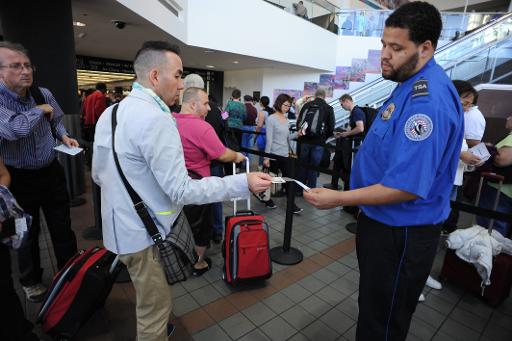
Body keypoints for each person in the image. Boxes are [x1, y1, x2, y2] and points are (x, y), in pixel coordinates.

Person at [303, 3, 464, 340]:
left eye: (396, 47)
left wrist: (339, 199)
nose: (384, 55)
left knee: (384, 322)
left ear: (425, 48)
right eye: (383, 44)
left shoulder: (427, 101)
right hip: (382, 223)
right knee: (374, 308)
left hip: (402, 232)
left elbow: (406, 186)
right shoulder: (406, 84)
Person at [92, 41, 271, 341]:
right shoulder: (157, 120)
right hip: (144, 236)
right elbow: (182, 190)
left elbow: (98, 173)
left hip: (118, 230)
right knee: (154, 309)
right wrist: (242, 182)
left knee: (148, 299)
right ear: (154, 75)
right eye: (177, 76)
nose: (181, 84)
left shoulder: (111, 113)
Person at [0, 41, 79, 302]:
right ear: (1, 72)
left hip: (50, 172)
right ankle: (31, 281)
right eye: (15, 66)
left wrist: (64, 135)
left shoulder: (43, 93)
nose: (25, 71)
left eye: (27, 65)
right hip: (18, 177)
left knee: (62, 227)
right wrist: (36, 111)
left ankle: (70, 273)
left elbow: (55, 121)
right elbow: (13, 130)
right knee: (26, 233)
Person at [174, 87, 245, 276]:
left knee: (181, 224)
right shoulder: (201, 127)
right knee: (201, 228)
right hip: (198, 186)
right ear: (192, 104)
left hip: (174, 183)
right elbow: (221, 153)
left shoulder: (169, 120)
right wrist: (238, 156)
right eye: (205, 104)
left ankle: (178, 256)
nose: (208, 108)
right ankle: (197, 263)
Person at [263, 94, 303, 213]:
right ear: (279, 103)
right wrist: (267, 157)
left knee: (289, 180)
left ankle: (291, 204)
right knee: (270, 180)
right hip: (274, 155)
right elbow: (269, 140)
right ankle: (266, 199)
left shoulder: (286, 120)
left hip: (285, 154)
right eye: (285, 105)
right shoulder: (271, 119)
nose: (287, 108)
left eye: (289, 106)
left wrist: (297, 134)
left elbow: (287, 138)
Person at [475, 114, 512, 237]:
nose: (507, 118)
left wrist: (490, 150)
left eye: (510, 116)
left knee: (491, 227)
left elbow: (501, 160)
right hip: (501, 189)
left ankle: (487, 253)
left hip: (499, 189)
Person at [296, 88, 335, 192]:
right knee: (314, 167)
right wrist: (324, 138)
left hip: (304, 140)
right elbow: (331, 127)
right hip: (318, 142)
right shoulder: (328, 108)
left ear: (315, 95)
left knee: (302, 165)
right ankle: (311, 190)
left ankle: (299, 190)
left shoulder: (306, 105)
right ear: (324, 96)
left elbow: (298, 122)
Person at [205, 94, 226, 244]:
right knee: (216, 196)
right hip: (216, 160)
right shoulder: (218, 110)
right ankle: (217, 231)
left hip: (195, 164)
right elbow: (225, 130)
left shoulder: (181, 111)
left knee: (198, 198)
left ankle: (203, 230)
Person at [453, 80, 486, 148]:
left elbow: (474, 142)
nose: (467, 109)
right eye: (465, 103)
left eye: (470, 105)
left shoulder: (474, 115)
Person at [242, 94, 258, 162]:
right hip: (252, 128)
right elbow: (255, 117)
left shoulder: (242, 107)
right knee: (250, 147)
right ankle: (248, 163)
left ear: (244, 100)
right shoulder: (254, 108)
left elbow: (242, 117)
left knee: (243, 146)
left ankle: (242, 163)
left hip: (243, 127)